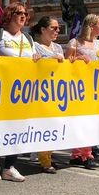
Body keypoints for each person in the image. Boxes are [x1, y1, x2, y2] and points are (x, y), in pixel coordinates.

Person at [0, 2, 36, 182]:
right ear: (8, 15)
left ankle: (10, 166)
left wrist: (38, 59)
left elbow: (34, 60)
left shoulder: (28, 38)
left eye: (25, 14)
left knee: (18, 129)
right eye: (19, 12)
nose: (23, 16)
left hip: (22, 92)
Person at [65, 14, 99, 170]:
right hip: (76, 88)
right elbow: (66, 65)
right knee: (79, 121)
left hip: (93, 88)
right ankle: (80, 154)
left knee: (90, 120)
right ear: (91, 26)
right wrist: (78, 59)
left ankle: (85, 153)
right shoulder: (75, 42)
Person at [31, 16, 67, 174]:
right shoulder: (34, 46)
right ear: (42, 30)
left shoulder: (58, 47)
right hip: (39, 92)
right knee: (43, 124)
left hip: (56, 92)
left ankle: (48, 155)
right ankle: (44, 160)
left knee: (53, 124)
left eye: (58, 28)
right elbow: (32, 64)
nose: (57, 31)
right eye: (53, 28)